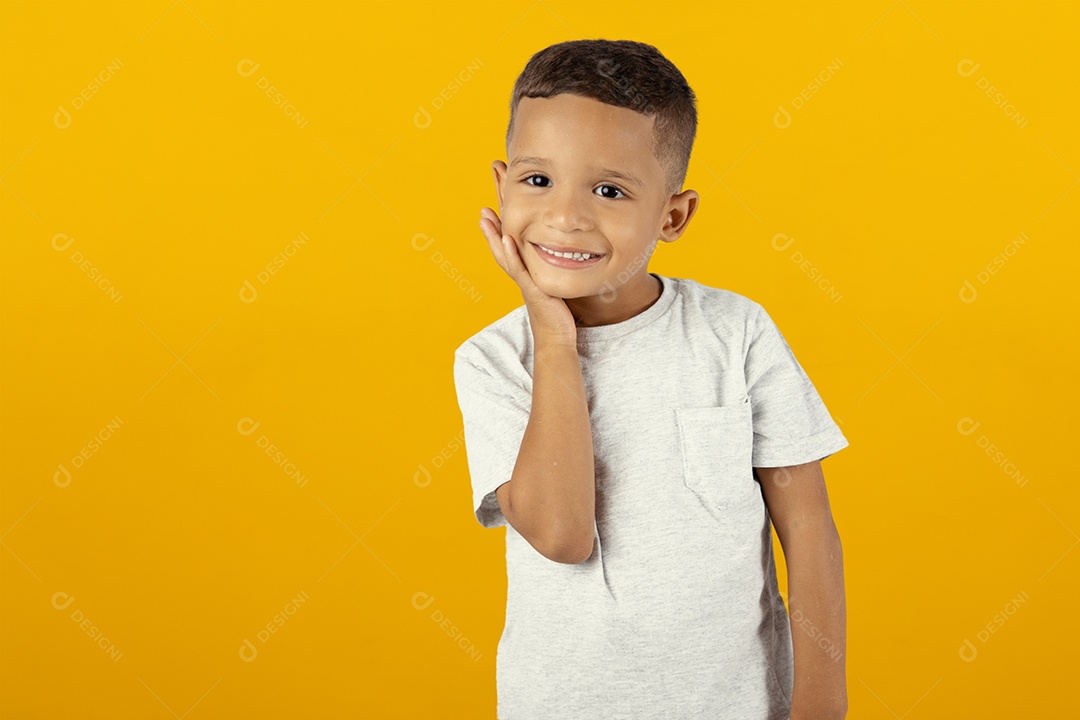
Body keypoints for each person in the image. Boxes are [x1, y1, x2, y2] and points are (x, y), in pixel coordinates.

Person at [453, 38, 849, 720]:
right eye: (537, 180)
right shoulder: (492, 361)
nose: (565, 216)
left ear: (672, 216)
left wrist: (820, 702)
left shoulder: (737, 333)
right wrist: (553, 333)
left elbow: (807, 525)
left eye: (608, 190)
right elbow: (561, 534)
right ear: (501, 184)